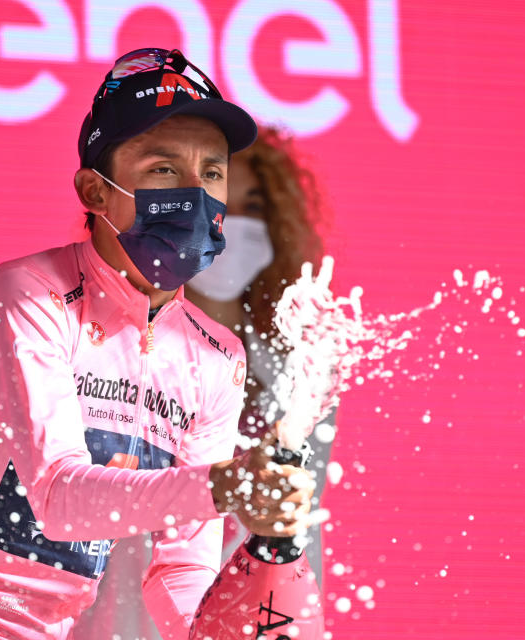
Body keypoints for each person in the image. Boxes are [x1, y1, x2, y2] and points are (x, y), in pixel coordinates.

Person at [0, 48, 315, 640]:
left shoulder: (216, 356)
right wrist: (230, 485)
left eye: (210, 172)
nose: (194, 194)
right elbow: (58, 497)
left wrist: (227, 609)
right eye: (162, 169)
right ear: (93, 191)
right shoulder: (26, 294)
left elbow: (180, 566)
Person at [74, 126, 332, 640]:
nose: (229, 223)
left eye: (252, 206)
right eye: (214, 203)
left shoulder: (299, 363)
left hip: (259, 610)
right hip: (120, 610)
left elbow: (290, 509)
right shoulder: (104, 340)